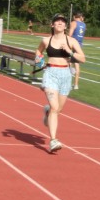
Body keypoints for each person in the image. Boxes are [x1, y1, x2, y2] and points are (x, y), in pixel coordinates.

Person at [35, 13, 86, 153]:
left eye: (62, 22)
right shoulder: (46, 40)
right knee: (54, 106)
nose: (60, 23)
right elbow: (39, 51)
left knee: (58, 110)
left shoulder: (71, 41)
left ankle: (48, 113)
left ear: (65, 26)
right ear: (52, 25)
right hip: (50, 73)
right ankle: (53, 140)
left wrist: (70, 52)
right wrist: (39, 60)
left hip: (66, 75)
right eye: (57, 21)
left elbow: (83, 59)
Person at [68, 11, 86, 90]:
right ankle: (76, 84)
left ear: (74, 16)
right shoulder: (84, 24)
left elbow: (70, 35)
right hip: (80, 45)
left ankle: (68, 83)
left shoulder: (73, 23)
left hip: (73, 44)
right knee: (77, 64)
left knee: (69, 63)